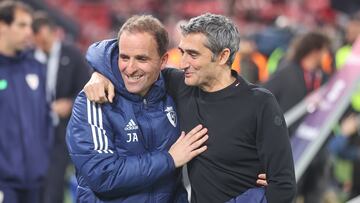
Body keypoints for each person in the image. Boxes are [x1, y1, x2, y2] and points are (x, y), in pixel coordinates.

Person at [84, 13, 296, 203]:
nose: (183, 62)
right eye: (182, 52)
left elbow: (284, 187)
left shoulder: (260, 103)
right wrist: (100, 73)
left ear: (222, 56)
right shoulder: (180, 85)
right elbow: (125, 55)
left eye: (193, 55)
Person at [66, 15, 210, 202]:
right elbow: (103, 176)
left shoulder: (173, 90)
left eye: (141, 59)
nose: (130, 68)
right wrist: (170, 159)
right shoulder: (94, 99)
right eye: (124, 57)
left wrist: (254, 167)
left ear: (163, 60)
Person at [263, 32, 332, 203]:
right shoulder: (287, 71)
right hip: (290, 144)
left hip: (316, 145)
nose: (327, 56)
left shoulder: (323, 77)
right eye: (325, 51)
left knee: (315, 192)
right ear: (315, 51)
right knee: (290, 192)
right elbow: (263, 96)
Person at [32, 12, 91, 203]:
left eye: (44, 40)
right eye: (38, 40)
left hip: (63, 128)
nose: (42, 45)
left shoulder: (72, 54)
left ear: (53, 32)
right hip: (37, 129)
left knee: (54, 180)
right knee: (38, 179)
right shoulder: (32, 57)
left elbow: (87, 89)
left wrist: (70, 103)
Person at [0, 1, 51, 203]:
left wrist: (42, 161)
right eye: (22, 25)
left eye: (30, 26)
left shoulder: (36, 67)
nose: (29, 32)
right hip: (4, 182)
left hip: (35, 180)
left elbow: (46, 119)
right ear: (2, 26)